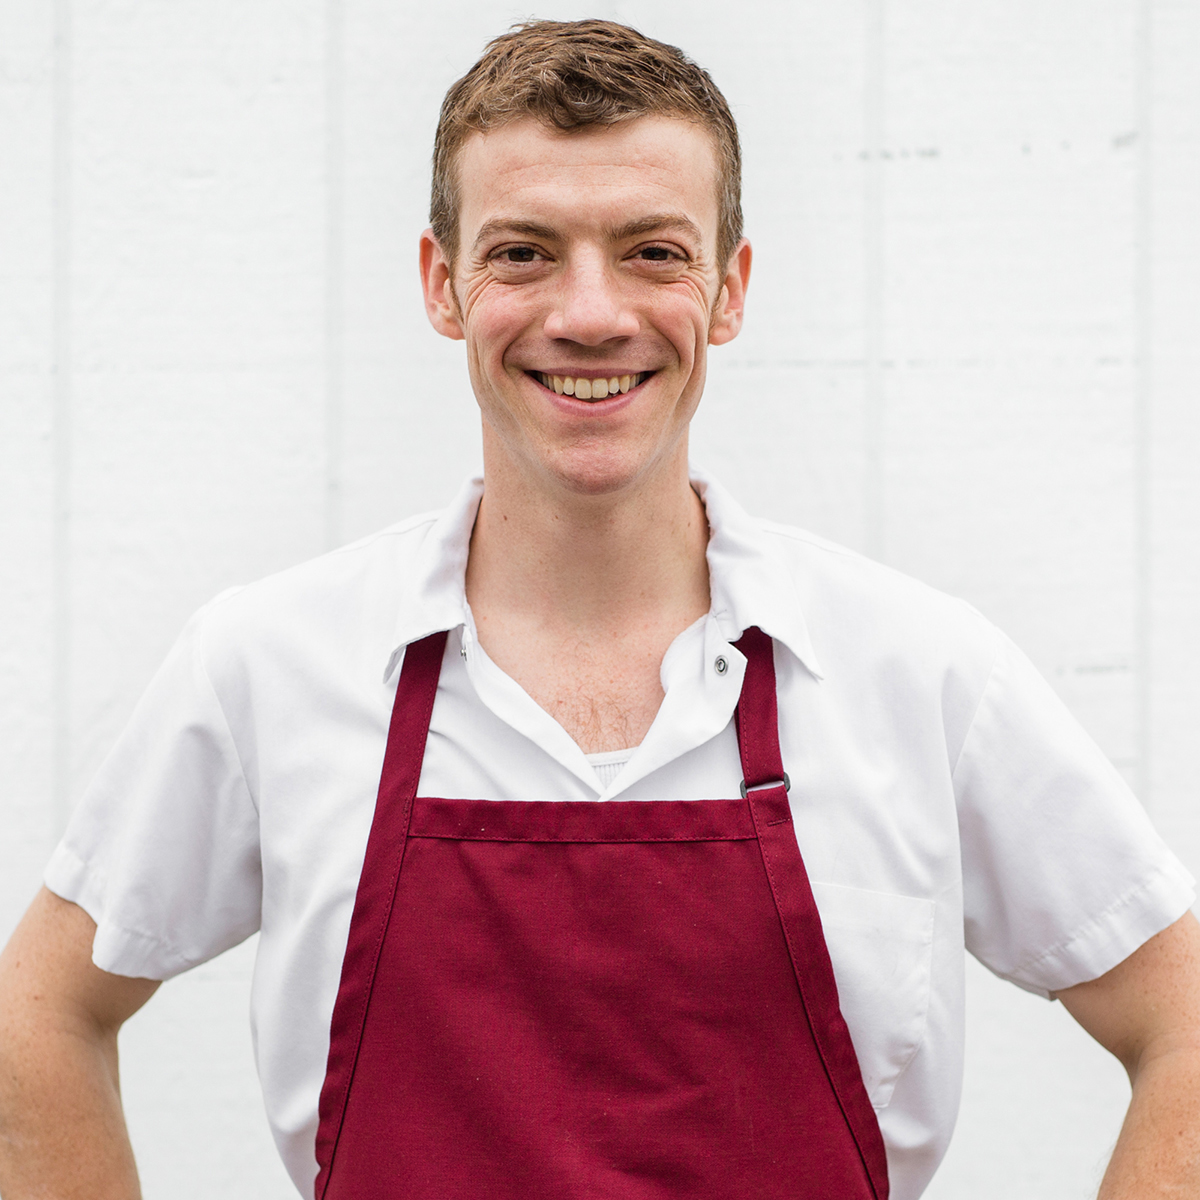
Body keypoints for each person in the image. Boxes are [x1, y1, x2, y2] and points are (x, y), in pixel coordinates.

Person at [1, 18, 1198, 1200]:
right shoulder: (270, 665)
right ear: (442, 284)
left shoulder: (915, 673)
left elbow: (1182, 1027)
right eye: (522, 252)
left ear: (728, 289)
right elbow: (41, 1011)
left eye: (652, 252)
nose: (589, 313)